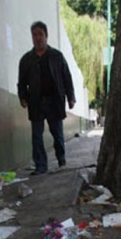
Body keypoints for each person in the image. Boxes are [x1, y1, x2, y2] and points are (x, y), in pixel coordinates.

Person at [17, 21, 76, 175]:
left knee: (57, 132)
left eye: (40, 34)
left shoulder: (57, 56)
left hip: (54, 99)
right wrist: (22, 96)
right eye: (34, 35)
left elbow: (66, 77)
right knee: (37, 135)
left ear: (46, 36)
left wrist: (71, 97)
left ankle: (61, 159)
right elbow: (22, 81)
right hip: (36, 101)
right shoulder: (26, 60)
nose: (38, 38)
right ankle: (41, 166)